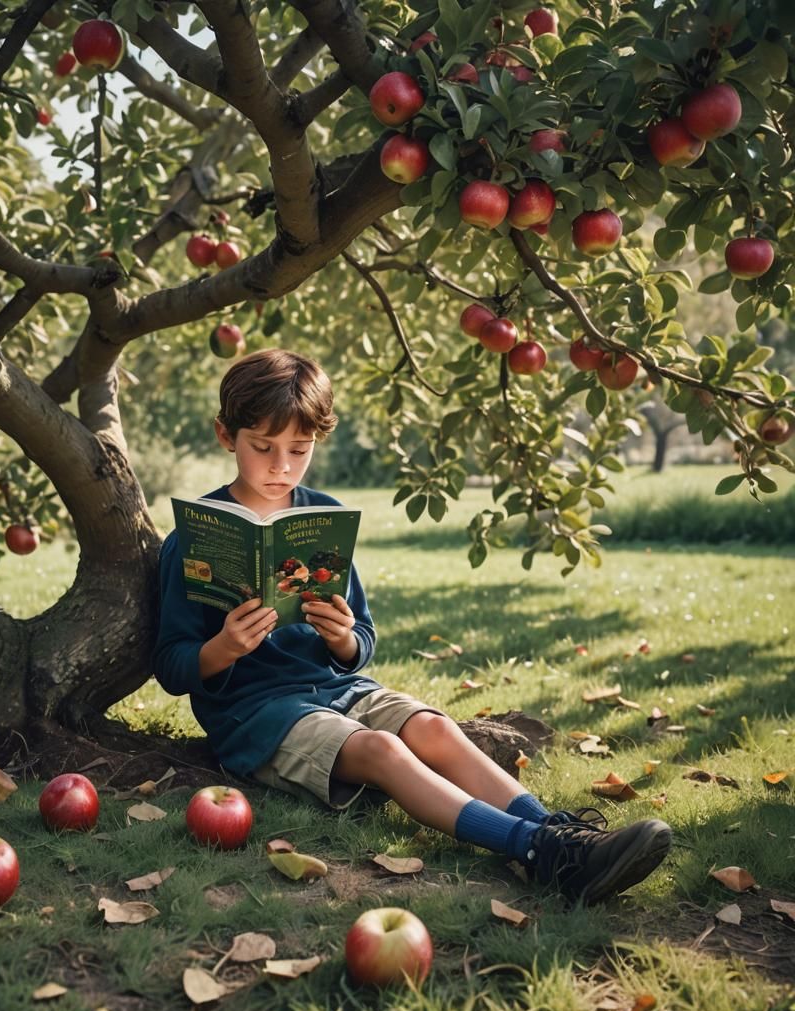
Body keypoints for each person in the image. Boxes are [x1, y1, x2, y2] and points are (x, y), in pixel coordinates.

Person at [154, 349, 671, 904]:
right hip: (257, 716)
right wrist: (223, 647)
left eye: (299, 450)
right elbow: (171, 663)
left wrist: (343, 638)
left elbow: (363, 641)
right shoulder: (195, 539)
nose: (282, 465)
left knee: (435, 728)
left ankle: (563, 833)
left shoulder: (320, 521)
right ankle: (535, 850)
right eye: (263, 447)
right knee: (384, 751)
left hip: (339, 688)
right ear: (225, 436)